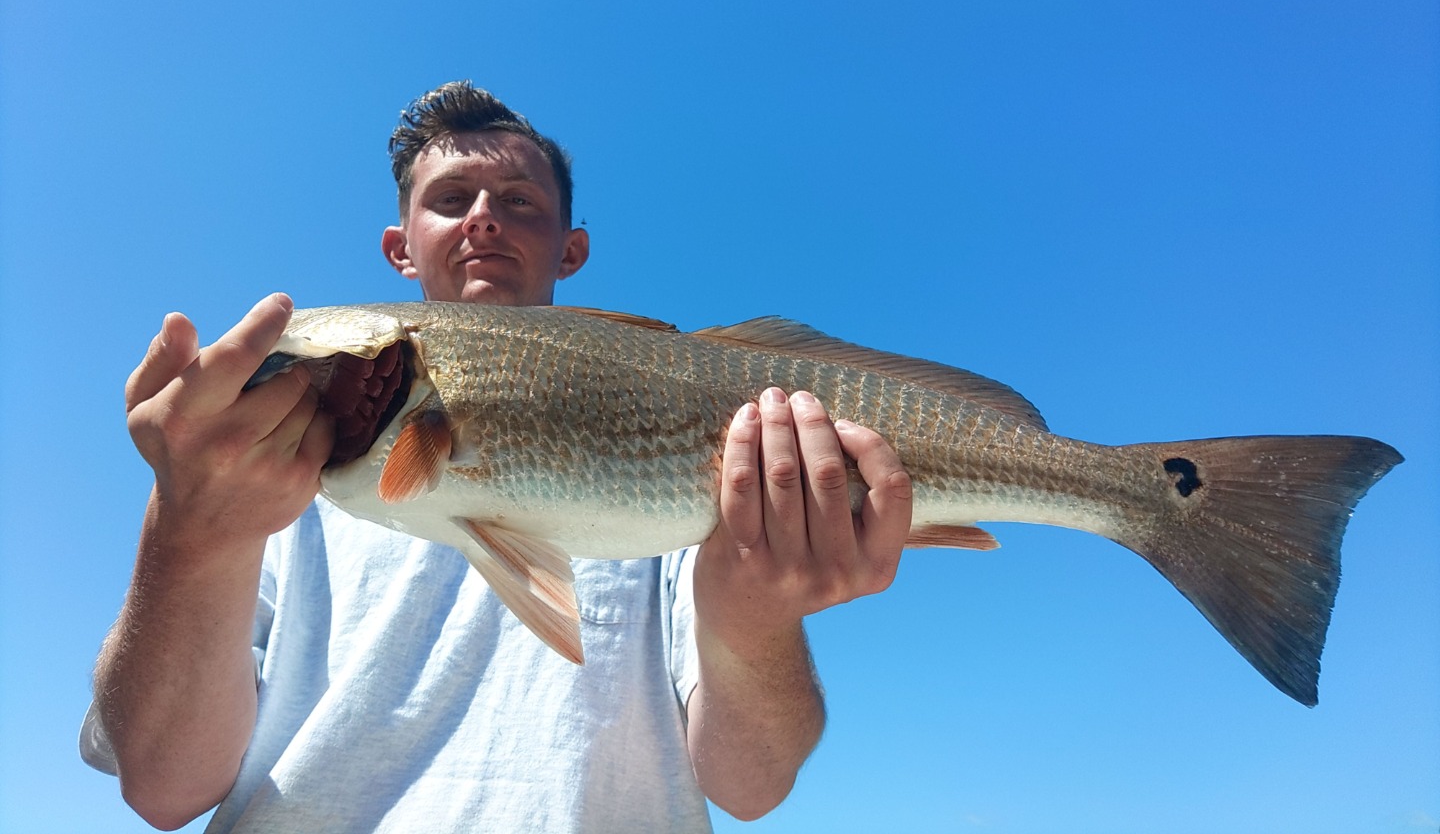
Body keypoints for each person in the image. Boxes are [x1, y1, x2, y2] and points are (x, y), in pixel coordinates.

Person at [83, 82, 914, 832]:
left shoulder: (690, 477)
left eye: (519, 200)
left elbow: (751, 786)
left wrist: (758, 618)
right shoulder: (258, 486)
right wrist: (188, 533)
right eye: (450, 200)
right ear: (400, 247)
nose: (483, 217)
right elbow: (164, 788)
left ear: (571, 251)